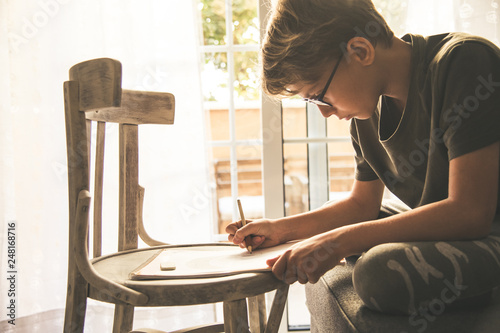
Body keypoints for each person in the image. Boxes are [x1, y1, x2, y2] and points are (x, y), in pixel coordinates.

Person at [226, 0, 500, 325]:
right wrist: (281, 229)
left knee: (377, 273)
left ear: (360, 51)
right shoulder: (365, 115)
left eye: (318, 96)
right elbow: (362, 205)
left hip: (488, 232)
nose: (324, 112)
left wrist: (339, 240)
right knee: (337, 220)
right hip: (455, 233)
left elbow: (471, 212)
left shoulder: (464, 61)